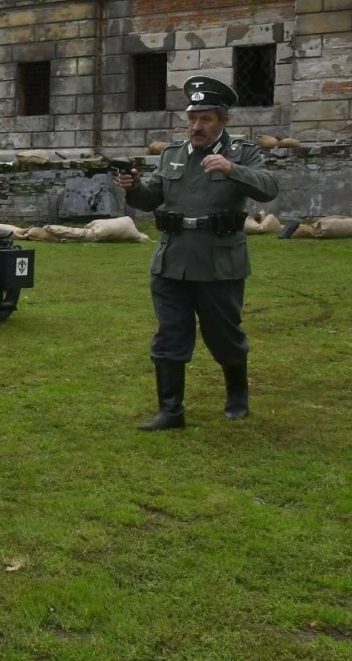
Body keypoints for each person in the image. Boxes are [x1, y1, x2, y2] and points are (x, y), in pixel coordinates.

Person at [116, 76, 279, 429]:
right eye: (192, 118)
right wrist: (134, 188)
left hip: (219, 261)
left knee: (224, 335)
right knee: (170, 334)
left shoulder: (243, 153)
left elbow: (269, 189)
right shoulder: (173, 154)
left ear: (223, 120)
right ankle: (170, 411)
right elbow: (151, 198)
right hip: (173, 259)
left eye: (205, 119)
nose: (196, 126)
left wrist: (232, 169)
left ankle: (237, 396)